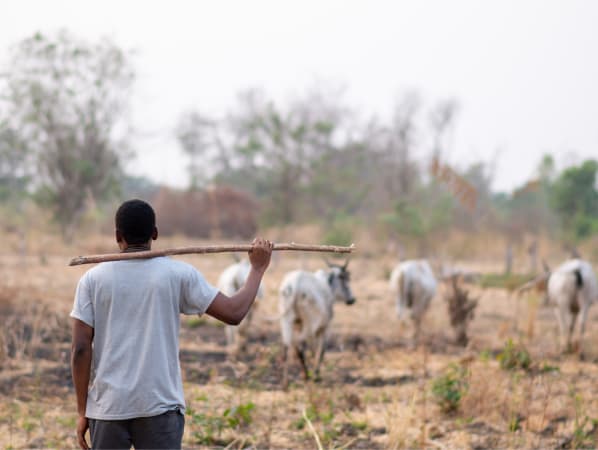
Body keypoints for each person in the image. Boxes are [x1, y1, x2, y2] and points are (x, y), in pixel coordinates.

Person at [70, 199, 273, 450]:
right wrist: (257, 269)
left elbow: (80, 349)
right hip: (160, 408)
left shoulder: (92, 280)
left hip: (107, 409)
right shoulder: (178, 274)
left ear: (117, 236)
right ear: (155, 233)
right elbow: (234, 312)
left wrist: (83, 411)